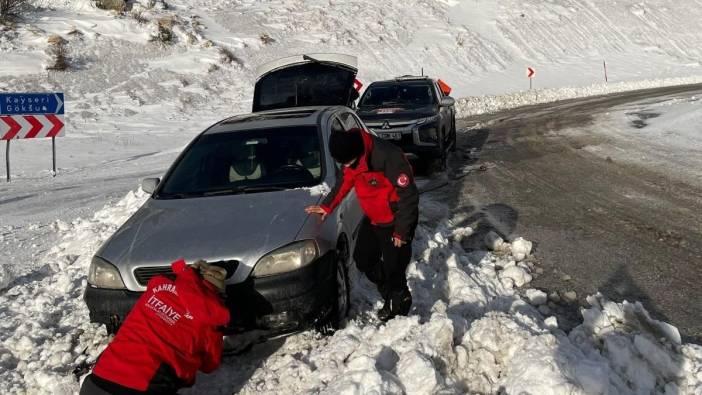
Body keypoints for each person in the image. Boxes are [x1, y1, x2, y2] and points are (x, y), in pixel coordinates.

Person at [305, 127, 419, 321]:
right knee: (364, 259)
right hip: (374, 218)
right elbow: (344, 182)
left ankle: (399, 306)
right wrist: (327, 206)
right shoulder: (350, 157)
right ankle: (390, 292)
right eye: (342, 163)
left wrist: (401, 232)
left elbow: (408, 196)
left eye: (348, 162)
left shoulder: (387, 156)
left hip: (396, 219)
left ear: (358, 153)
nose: (346, 166)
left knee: (395, 267)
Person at [80, 259, 232, 395]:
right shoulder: (210, 318)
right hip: (142, 388)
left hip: (95, 384)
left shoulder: (157, 288)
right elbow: (209, 365)